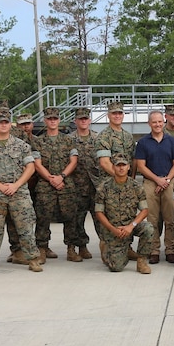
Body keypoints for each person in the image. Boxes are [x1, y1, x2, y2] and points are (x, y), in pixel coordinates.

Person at [0, 109, 43, 276]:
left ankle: (33, 259)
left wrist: (16, 185)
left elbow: (30, 167)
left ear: (10, 124)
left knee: (25, 227)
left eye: (6, 122)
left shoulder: (22, 145)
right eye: (0, 122)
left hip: (19, 193)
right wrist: (0, 186)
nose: (3, 125)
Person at [32, 107, 80, 263]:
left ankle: (71, 248)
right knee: (43, 218)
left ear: (59, 120)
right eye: (49, 119)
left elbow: (73, 161)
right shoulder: (38, 142)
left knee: (70, 217)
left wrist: (62, 177)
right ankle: (42, 248)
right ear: (45, 121)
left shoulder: (69, 140)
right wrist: (51, 179)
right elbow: (37, 164)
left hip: (66, 183)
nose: (52, 121)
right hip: (46, 185)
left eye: (55, 118)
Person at [135, 110, 174, 264]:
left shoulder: (171, 141)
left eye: (160, 121)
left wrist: (166, 180)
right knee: (152, 219)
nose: (157, 124)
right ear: (149, 124)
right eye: (154, 122)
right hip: (150, 182)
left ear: (164, 122)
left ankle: (170, 250)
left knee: (171, 218)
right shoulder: (143, 142)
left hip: (168, 182)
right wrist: (157, 180)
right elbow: (141, 166)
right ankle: (154, 250)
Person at [94, 153, 153, 274]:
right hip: (112, 228)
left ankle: (141, 261)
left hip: (130, 226)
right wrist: (112, 229)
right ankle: (107, 245)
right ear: (113, 167)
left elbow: (144, 210)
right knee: (116, 267)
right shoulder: (103, 187)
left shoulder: (136, 186)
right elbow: (99, 212)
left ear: (129, 167)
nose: (121, 168)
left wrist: (131, 226)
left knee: (149, 228)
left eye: (123, 165)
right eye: (118, 165)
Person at [95, 101, 138, 261]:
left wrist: (130, 179)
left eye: (120, 113)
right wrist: (120, 177)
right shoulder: (104, 136)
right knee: (110, 216)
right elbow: (105, 162)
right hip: (109, 185)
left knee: (127, 215)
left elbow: (133, 160)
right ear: (108, 115)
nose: (117, 116)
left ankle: (127, 248)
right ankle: (106, 248)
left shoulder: (127, 136)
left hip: (127, 184)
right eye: (114, 113)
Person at [68, 107, 99, 260]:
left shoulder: (98, 139)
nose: (83, 121)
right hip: (76, 186)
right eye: (80, 119)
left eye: (85, 119)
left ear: (90, 120)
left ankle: (107, 246)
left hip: (95, 186)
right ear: (75, 121)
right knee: (76, 219)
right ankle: (78, 247)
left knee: (99, 218)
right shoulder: (69, 140)